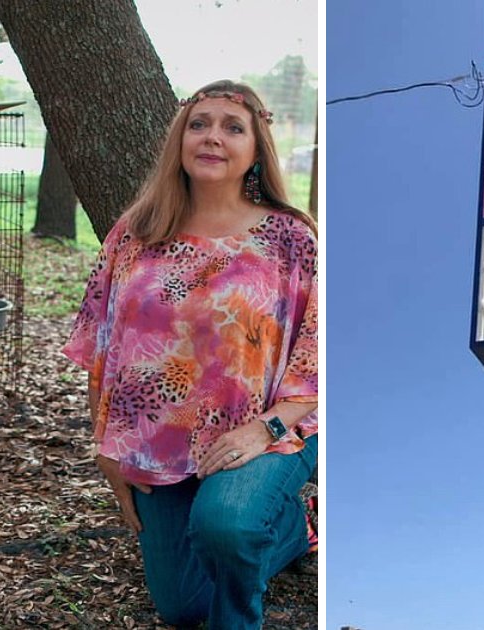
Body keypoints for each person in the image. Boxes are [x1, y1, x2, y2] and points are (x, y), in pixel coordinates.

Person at [61, 79, 317, 629]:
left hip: (264, 435)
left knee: (227, 526)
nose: (212, 137)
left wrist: (265, 431)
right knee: (182, 606)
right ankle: (291, 531)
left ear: (255, 149)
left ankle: (261, 535)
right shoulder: (136, 233)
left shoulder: (290, 238)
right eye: (199, 124)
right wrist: (106, 447)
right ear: (180, 139)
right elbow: (100, 347)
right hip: (157, 443)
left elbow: (322, 353)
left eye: (232, 127)